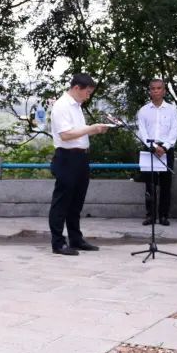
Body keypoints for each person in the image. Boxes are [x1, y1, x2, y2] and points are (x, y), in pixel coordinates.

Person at [48, 74, 110, 255]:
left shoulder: (76, 106)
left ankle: (75, 239)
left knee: (76, 201)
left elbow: (78, 132)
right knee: (62, 201)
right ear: (77, 88)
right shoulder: (62, 106)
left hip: (81, 157)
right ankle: (58, 243)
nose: (88, 96)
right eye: (87, 92)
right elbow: (65, 135)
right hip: (67, 157)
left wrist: (94, 130)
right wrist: (91, 128)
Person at [136, 79, 177, 226]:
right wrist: (153, 147)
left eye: (159, 88)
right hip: (149, 149)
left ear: (164, 91)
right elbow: (142, 132)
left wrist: (165, 147)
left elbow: (174, 130)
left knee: (166, 185)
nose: (156, 91)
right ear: (150, 91)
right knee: (150, 185)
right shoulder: (143, 110)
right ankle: (150, 215)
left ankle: (164, 216)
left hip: (167, 149)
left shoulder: (172, 109)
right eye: (153, 88)